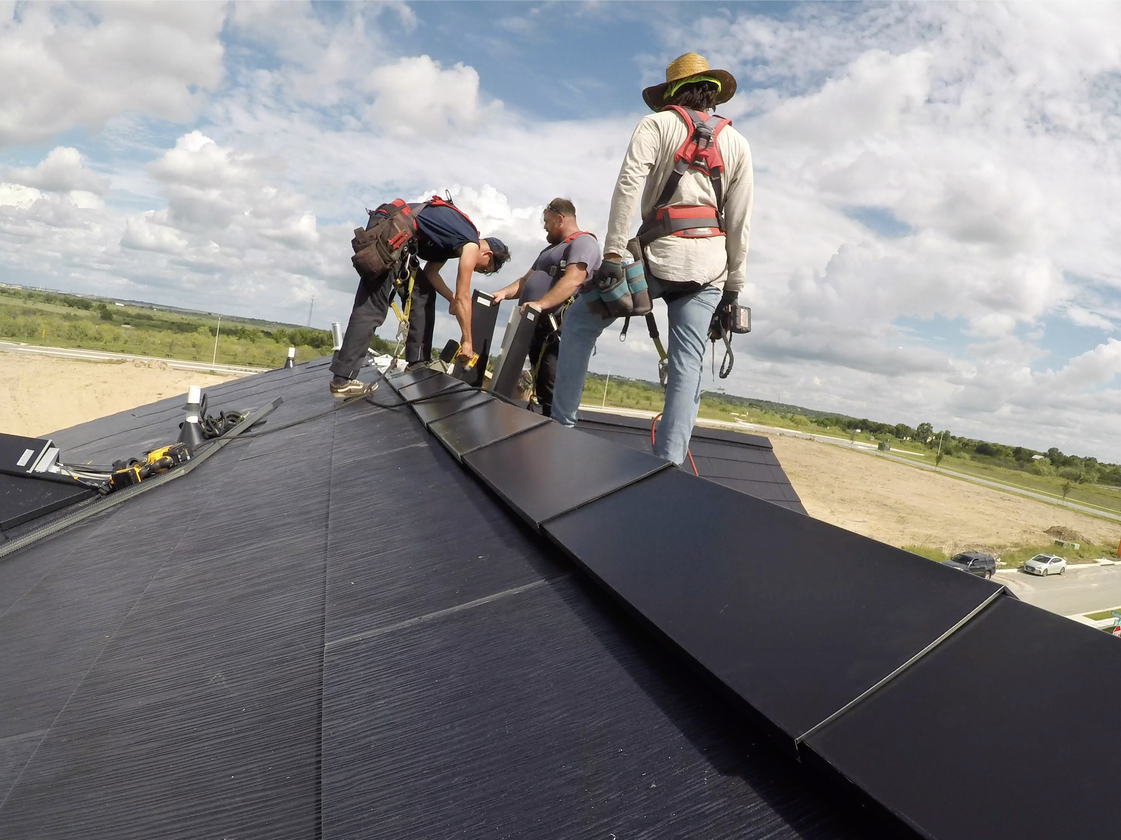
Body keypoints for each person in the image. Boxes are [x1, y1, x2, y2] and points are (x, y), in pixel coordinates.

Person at [550, 52, 753, 464]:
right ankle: (669, 466)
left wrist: (611, 253)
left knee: (580, 320)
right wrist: (733, 286)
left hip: (656, 258)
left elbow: (628, 185)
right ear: (712, 96)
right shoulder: (738, 143)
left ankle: (562, 430)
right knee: (687, 367)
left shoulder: (656, 124)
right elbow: (741, 219)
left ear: (671, 94)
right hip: (710, 268)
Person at [329, 197, 510, 396]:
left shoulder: (453, 238)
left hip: (396, 231)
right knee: (372, 308)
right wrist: (467, 341)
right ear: (488, 255)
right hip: (393, 233)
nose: (477, 271)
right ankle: (342, 379)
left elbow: (431, 273)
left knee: (422, 292)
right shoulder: (471, 243)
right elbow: (463, 296)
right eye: (484, 269)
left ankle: (417, 363)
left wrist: (450, 298)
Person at [491, 198, 602, 416]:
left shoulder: (583, 243)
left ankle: (557, 438)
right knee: (541, 387)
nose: (544, 226)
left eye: (547, 221)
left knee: (553, 388)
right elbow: (525, 282)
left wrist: (540, 304)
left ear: (560, 220)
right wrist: (502, 293)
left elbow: (573, 280)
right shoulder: (549, 251)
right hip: (539, 331)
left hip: (560, 333)